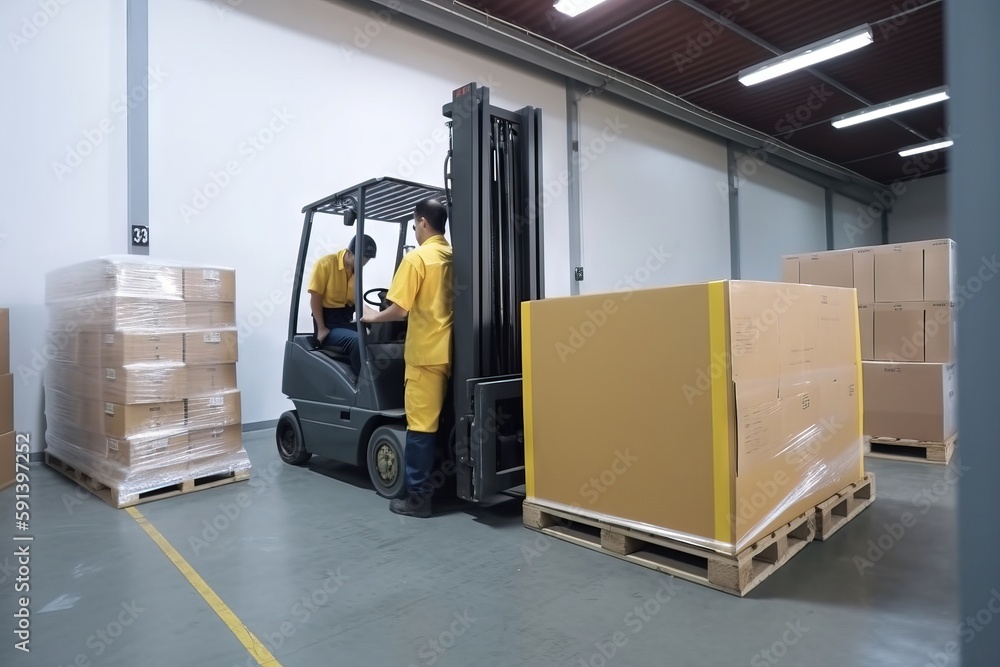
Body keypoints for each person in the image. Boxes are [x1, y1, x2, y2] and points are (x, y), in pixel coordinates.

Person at [361, 198, 452, 518]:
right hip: (449, 352)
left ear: (423, 223)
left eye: (414, 226)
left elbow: (399, 310)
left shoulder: (417, 259)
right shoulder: (454, 256)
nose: (414, 231)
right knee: (437, 423)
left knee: (421, 428)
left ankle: (418, 497)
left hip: (425, 354)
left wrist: (372, 318)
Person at [307, 234, 377, 375]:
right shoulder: (325, 264)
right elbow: (315, 299)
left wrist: (375, 317)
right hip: (328, 325)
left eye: (368, 259)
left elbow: (356, 301)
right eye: (363, 258)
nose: (365, 262)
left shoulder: (356, 270)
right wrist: (321, 329)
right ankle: (365, 385)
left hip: (346, 321)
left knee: (379, 336)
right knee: (359, 342)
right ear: (350, 253)